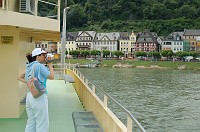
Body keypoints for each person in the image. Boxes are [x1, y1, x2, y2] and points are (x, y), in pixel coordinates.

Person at [17, 48, 54, 132]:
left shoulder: (29, 66)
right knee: (42, 123)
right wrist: (50, 64)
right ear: (37, 57)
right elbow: (51, 76)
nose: (45, 57)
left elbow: (19, 77)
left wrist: (28, 82)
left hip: (30, 96)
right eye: (43, 55)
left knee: (31, 122)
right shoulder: (39, 66)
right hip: (39, 96)